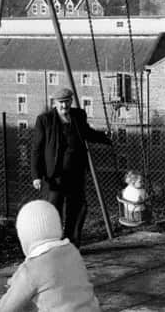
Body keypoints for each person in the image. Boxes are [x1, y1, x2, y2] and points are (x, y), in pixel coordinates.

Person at [0, 200, 100, 312]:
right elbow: (54, 282)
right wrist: (16, 282)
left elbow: (4, 309)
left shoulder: (31, 270)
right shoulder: (71, 252)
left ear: (26, 238)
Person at [31, 87, 111, 248]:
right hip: (55, 174)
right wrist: (36, 175)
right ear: (55, 103)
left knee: (78, 207)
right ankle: (53, 243)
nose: (64, 106)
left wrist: (105, 138)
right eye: (61, 103)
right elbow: (37, 149)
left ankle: (71, 242)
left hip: (76, 171)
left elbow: (87, 132)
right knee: (54, 209)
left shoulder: (78, 115)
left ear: (71, 101)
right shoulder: (45, 120)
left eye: (67, 102)